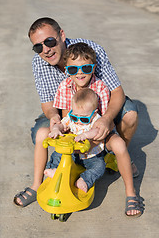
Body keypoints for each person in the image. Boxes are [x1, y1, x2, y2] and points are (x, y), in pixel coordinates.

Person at [13, 17, 139, 208]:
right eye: (38, 47)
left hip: (97, 121)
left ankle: (127, 185)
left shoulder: (92, 57)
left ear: (61, 35)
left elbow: (116, 94)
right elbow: (52, 108)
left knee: (128, 118)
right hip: (71, 121)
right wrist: (57, 121)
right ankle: (38, 184)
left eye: (49, 41)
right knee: (41, 133)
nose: (45, 49)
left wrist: (105, 121)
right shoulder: (61, 83)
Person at [44, 43, 142, 217]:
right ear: (66, 69)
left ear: (94, 67)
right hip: (76, 138)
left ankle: (131, 193)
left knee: (118, 146)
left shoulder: (101, 88)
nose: (80, 73)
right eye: (74, 70)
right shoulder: (65, 88)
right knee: (57, 154)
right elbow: (67, 121)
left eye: (86, 68)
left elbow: (105, 121)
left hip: (97, 135)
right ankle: (55, 171)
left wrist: (93, 141)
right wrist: (59, 131)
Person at [45, 88, 107, 193]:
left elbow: (97, 131)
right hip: (72, 153)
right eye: (75, 116)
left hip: (91, 156)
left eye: (84, 119)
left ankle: (84, 180)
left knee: (100, 166)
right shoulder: (71, 117)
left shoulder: (97, 119)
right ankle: (54, 170)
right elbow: (61, 124)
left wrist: (85, 135)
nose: (78, 120)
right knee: (57, 154)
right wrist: (55, 129)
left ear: (94, 112)